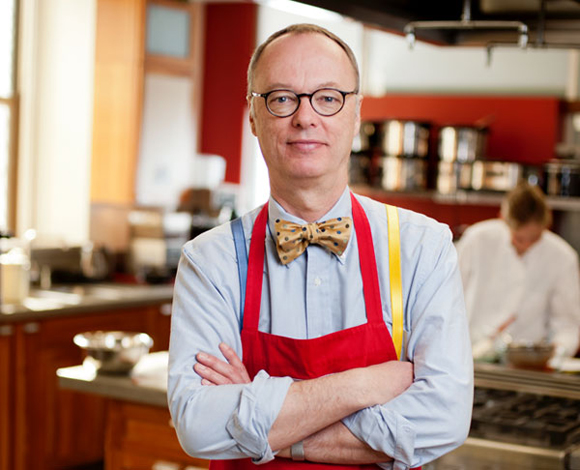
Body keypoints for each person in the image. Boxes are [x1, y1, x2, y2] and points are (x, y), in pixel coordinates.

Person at [168, 23, 473, 470]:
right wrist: (363, 386)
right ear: (253, 116)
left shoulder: (423, 247)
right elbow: (198, 427)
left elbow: (444, 419)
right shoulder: (209, 261)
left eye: (328, 98)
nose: (305, 117)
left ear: (356, 115)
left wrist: (262, 418)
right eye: (281, 98)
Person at [455, 182, 580, 361]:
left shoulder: (563, 257)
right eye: (519, 239)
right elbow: (449, 299)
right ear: (503, 219)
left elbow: (566, 324)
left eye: (534, 239)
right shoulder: (476, 240)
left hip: (527, 364)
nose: (527, 245)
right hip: (469, 355)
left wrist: (557, 352)